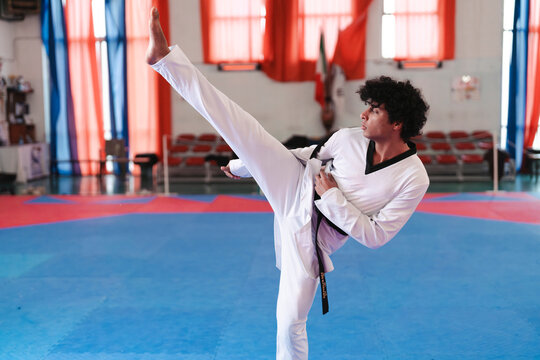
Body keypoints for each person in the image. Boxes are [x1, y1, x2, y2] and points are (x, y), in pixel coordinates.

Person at [146, 7, 430, 360]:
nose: (363, 114)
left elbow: (375, 237)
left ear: (397, 122)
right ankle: (166, 61)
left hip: (312, 237)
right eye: (367, 107)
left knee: (290, 320)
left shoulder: (413, 177)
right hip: (295, 185)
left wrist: (333, 198)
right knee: (242, 126)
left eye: (374, 110)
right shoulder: (348, 138)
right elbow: (306, 154)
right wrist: (245, 165)